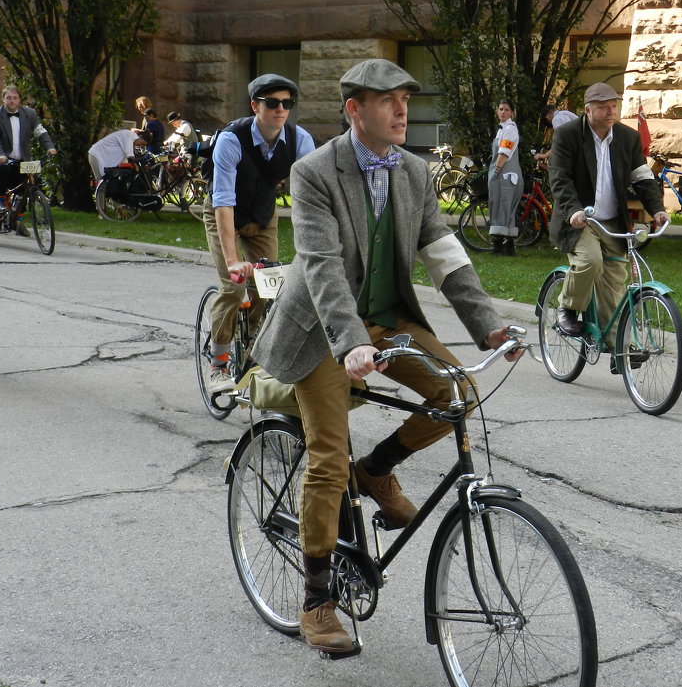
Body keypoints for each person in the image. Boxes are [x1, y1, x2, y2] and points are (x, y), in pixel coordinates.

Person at [251, 59, 522, 654]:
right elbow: (320, 266)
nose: (401, 110)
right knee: (326, 453)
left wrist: (489, 327)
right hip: (325, 328)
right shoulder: (314, 172)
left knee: (456, 393)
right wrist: (350, 344)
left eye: (404, 98)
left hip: (387, 318)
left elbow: (445, 254)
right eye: (385, 101)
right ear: (354, 110)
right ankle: (317, 600)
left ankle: (375, 469)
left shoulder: (416, 174)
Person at [203, 73, 315, 395]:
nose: (280, 109)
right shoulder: (231, 139)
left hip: (263, 218)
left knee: (270, 289)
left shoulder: (299, 140)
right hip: (225, 215)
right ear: (255, 106)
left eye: (286, 103)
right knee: (234, 286)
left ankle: (254, 348)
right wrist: (233, 260)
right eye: (272, 103)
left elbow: (310, 198)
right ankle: (219, 364)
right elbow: (223, 202)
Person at [547, 82, 669, 371]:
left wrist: (657, 209)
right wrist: (573, 210)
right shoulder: (568, 135)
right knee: (590, 262)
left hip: (612, 221)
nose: (610, 111)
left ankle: (618, 351)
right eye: (603, 106)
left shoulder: (627, 138)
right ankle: (567, 306)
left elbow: (641, 176)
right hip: (579, 219)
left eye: (613, 105)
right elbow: (559, 178)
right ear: (588, 111)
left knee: (614, 281)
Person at [0, 85, 57, 237]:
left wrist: (49, 147)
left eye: (15, 98)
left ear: (19, 100)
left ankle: (17, 220)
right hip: (0, 157)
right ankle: (0, 200)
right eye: (8, 98)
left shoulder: (29, 114)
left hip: (21, 158)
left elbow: (40, 131)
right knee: (3, 169)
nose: (12, 101)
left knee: (26, 185)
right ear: (3, 99)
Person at [487, 100, 522, 256]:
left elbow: (504, 153)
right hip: (505, 174)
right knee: (503, 209)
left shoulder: (509, 130)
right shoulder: (502, 129)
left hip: (505, 175)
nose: (502, 112)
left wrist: (496, 171)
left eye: (506, 110)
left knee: (503, 208)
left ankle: (500, 247)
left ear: (512, 113)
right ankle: (507, 248)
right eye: (500, 109)